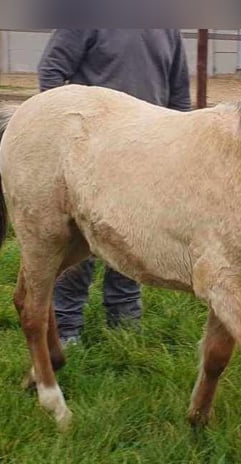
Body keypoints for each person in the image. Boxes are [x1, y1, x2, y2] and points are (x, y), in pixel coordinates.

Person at [38, 29, 192, 345]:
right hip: (94, 154)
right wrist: (64, 130)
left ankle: (124, 323)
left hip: (147, 154)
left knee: (132, 237)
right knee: (80, 239)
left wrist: (179, 145)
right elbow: (51, 71)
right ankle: (67, 327)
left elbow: (178, 92)